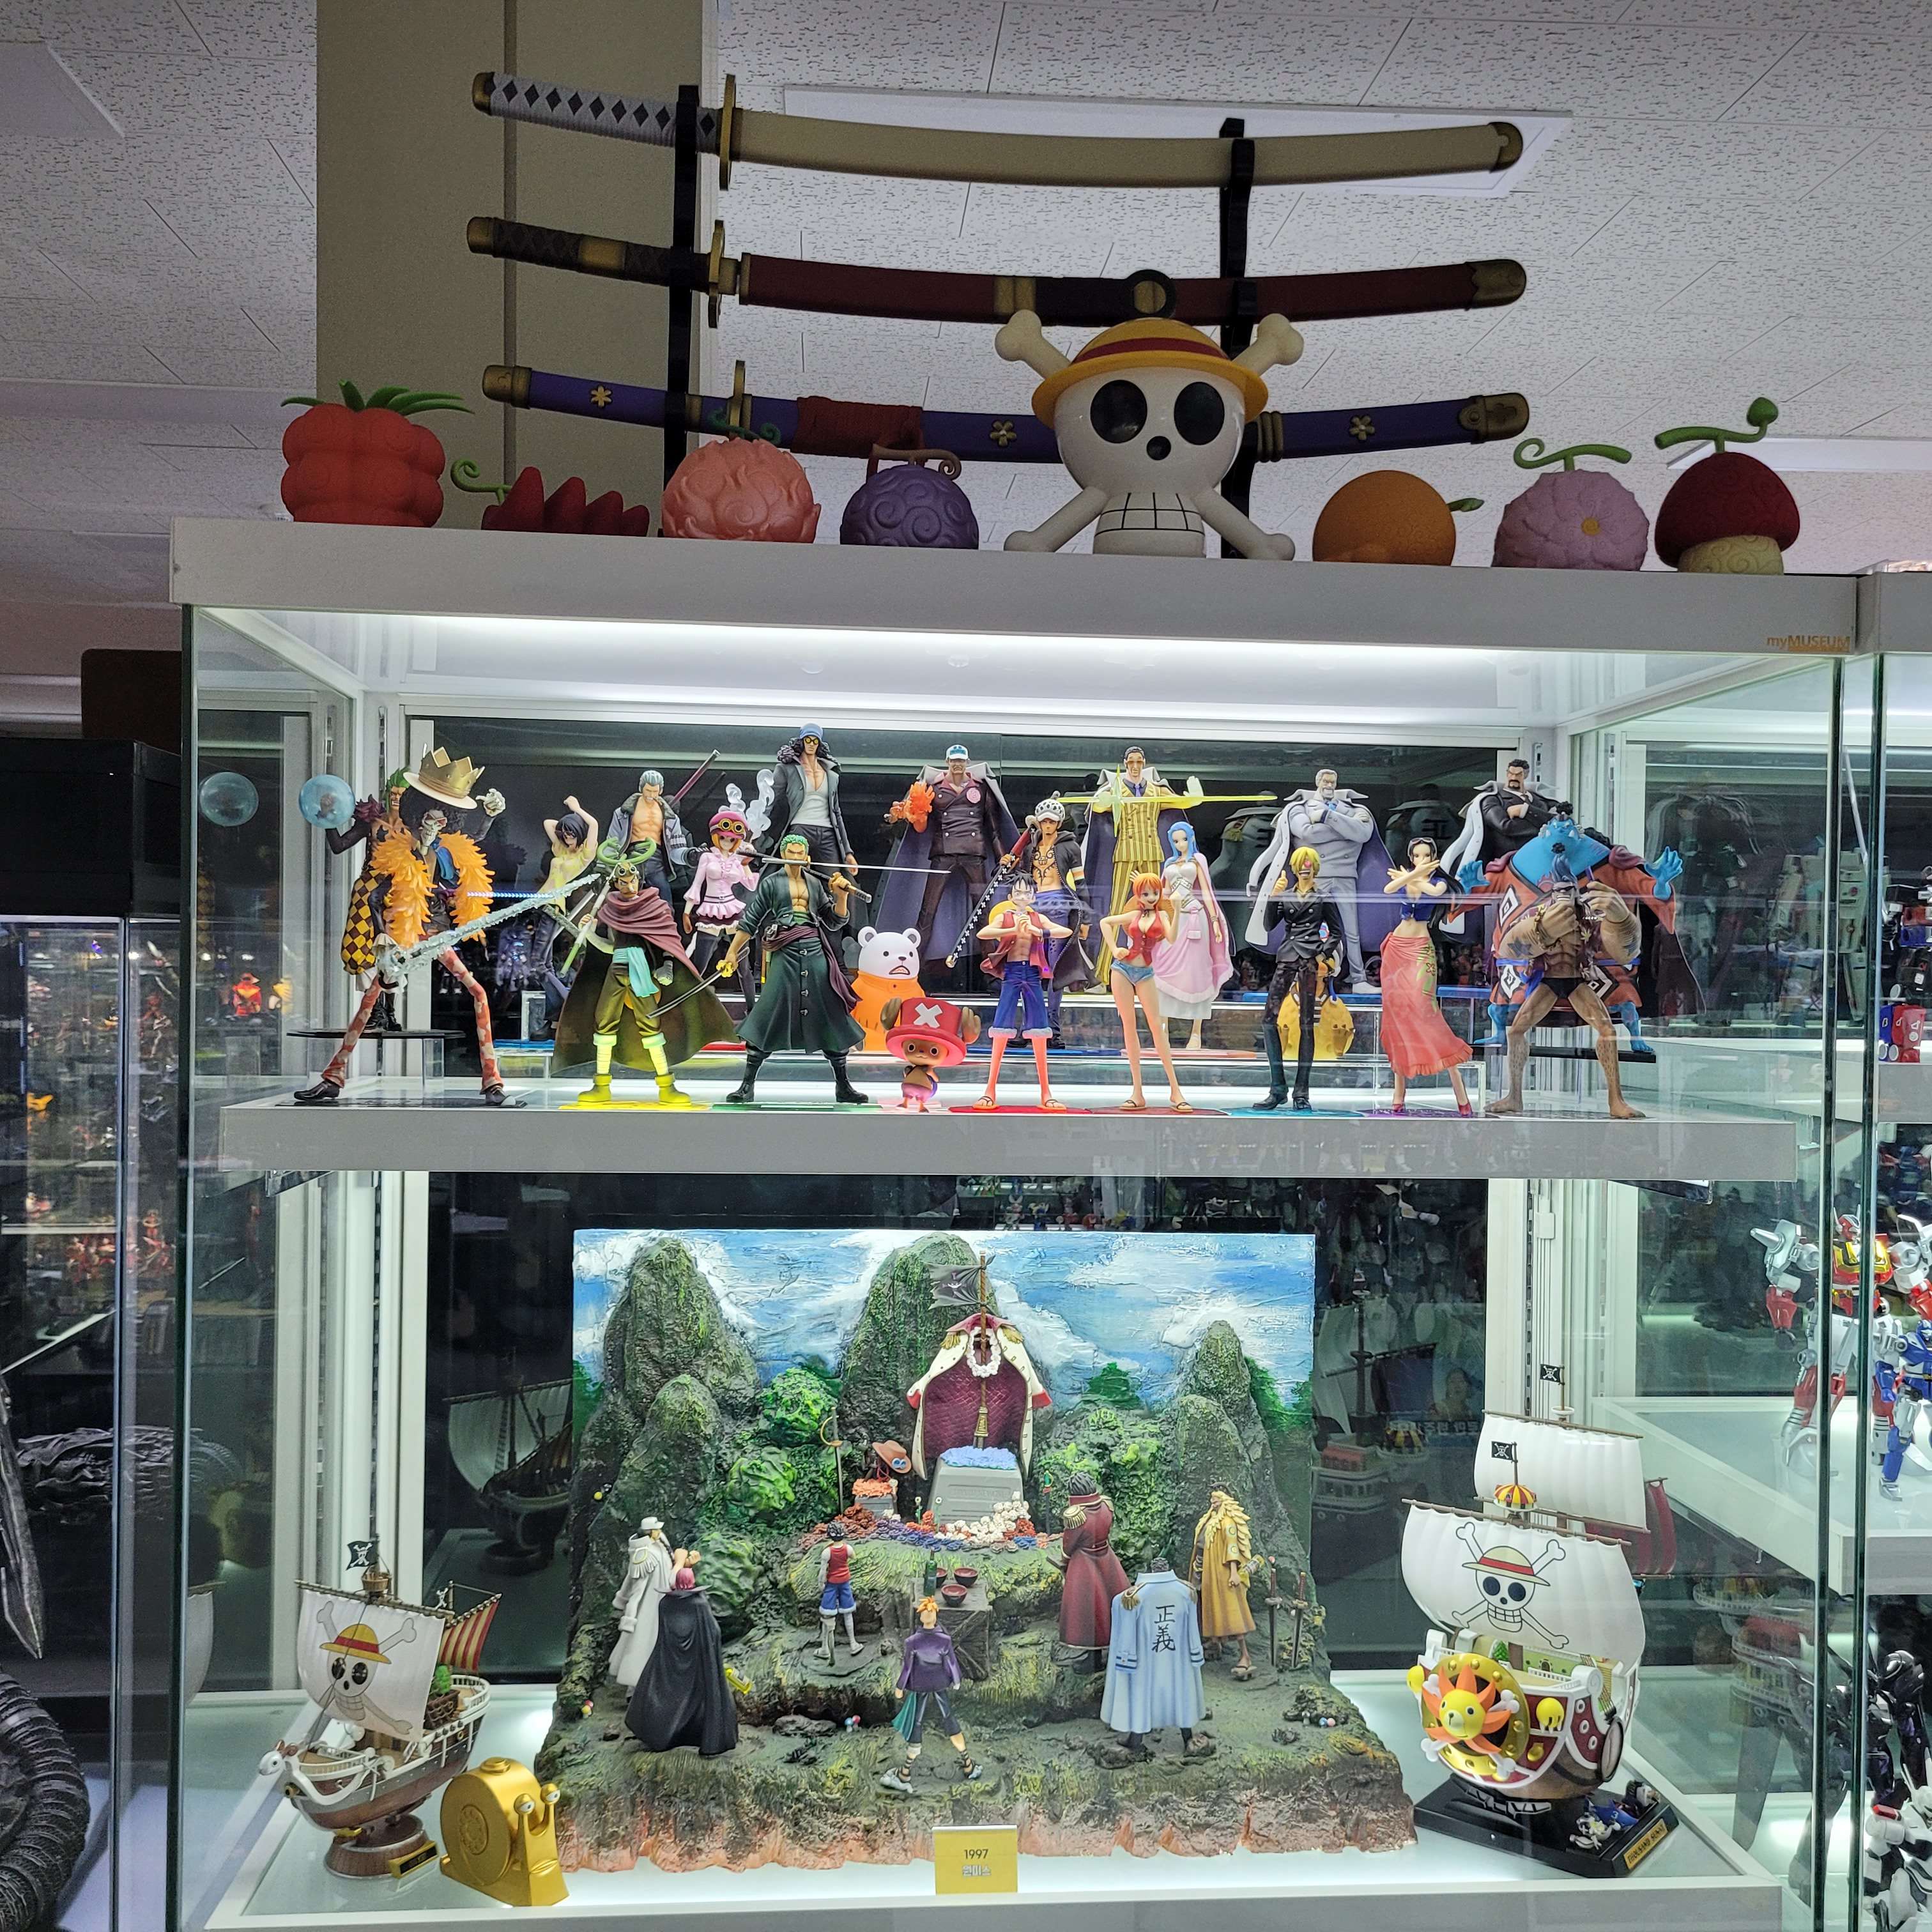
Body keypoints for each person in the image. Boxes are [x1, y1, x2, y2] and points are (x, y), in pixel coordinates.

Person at [296, 749, 512, 1106]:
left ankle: (493, 1081)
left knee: (478, 993)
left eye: (440, 821)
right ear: (417, 816)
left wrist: (489, 815)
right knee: (371, 999)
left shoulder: (446, 851)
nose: (432, 826)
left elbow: (472, 840)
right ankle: (333, 1078)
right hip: (403, 935)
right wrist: (382, 933)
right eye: (428, 819)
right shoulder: (398, 849)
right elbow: (375, 896)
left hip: (436, 934)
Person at [553, 855, 733, 1107]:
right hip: (616, 970)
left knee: (650, 1025)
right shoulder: (610, 910)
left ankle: (667, 1086)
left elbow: (667, 940)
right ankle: (601, 1085)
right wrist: (590, 933)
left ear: (639, 879)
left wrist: (667, 965)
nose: (629, 886)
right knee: (603, 1023)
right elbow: (609, 947)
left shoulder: (653, 907)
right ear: (616, 884)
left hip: (641, 971)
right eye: (623, 882)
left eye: (633, 880)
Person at [718, 832, 868, 1105]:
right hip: (784, 951)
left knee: (831, 1014)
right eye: (792, 852)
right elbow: (751, 920)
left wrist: (841, 897)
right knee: (768, 1011)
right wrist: (732, 952)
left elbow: (834, 922)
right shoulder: (772, 883)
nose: (796, 857)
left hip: (814, 950)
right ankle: (747, 1085)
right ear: (783, 855)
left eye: (801, 853)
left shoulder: (815, 883)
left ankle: (843, 1085)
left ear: (807, 856)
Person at [1379, 838, 1474, 1115]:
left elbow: (1432, 892)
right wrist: (1412, 875)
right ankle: (1399, 1091)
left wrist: (1411, 876)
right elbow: (1388, 888)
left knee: (1425, 1010)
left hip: (1420, 950)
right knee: (1396, 1014)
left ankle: (1460, 1090)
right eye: (1417, 856)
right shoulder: (1412, 876)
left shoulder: (1438, 883)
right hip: (1396, 949)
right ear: (1412, 857)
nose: (1421, 860)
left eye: (1426, 856)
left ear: (1434, 857)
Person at [1251, 846, 1343, 1113]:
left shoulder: (1323, 897)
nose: (1305, 868)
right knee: (1269, 1019)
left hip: (1309, 959)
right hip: (1288, 955)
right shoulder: (1288, 895)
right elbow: (1269, 924)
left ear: (1315, 868)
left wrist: (1322, 955)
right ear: (1294, 867)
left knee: (1306, 1024)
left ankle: (1301, 1092)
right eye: (1301, 864)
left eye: (1309, 864)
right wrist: (1273, 896)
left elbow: (1337, 932)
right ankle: (1277, 1088)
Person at [973, 875, 1071, 1110]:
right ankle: (990, 1090)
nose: (1023, 897)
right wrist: (1012, 929)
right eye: (1018, 893)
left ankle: (1046, 1092)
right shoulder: (1005, 917)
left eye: (1027, 893)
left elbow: (1065, 931)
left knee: (1039, 1031)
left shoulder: (1038, 918)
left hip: (1033, 974)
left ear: (1033, 897)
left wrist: (1040, 931)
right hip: (1012, 973)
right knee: (1001, 1029)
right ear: (1011, 896)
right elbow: (983, 933)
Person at [1099, 870, 1192, 1112]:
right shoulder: (1134, 914)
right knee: (1129, 1027)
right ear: (1138, 895)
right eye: (1145, 894)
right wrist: (1114, 949)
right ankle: (1137, 1092)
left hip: (1145, 973)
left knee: (1157, 1028)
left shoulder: (1163, 915)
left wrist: (1178, 909)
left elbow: (1172, 938)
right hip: (1122, 970)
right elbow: (1105, 923)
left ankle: (1176, 1090)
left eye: (1154, 893)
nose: (1151, 898)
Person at [1004, 795, 1094, 1040]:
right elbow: (1020, 879)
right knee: (1028, 966)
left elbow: (1081, 883)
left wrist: (1085, 918)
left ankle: (1052, 1026)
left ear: (1059, 823)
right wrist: (1008, 864)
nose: (1047, 825)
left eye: (1052, 821)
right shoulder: (1030, 848)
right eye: (1044, 821)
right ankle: (1030, 1025)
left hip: (1058, 907)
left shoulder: (1070, 847)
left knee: (1055, 968)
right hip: (1032, 908)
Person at [879, 1597, 981, 1793]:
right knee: (947, 1719)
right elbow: (950, 1663)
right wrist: (956, 1680)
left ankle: (905, 1773)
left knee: (917, 1724)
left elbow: (909, 1668)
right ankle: (968, 1764)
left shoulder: (914, 1642)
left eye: (930, 1611)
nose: (928, 1614)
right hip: (937, 1684)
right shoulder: (938, 1640)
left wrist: (901, 1687)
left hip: (921, 1686)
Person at [1152, 821, 1232, 1053]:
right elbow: (1163, 893)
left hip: (1196, 919)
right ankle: (1163, 1030)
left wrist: (1215, 920)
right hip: (1174, 919)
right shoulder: (1169, 864)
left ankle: (1196, 1032)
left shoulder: (1198, 861)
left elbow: (1206, 892)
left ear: (1191, 838)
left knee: (1198, 972)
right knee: (1164, 971)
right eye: (1176, 841)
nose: (1180, 844)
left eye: (1184, 839)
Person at [682, 804, 760, 1004]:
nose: (727, 842)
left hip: (732, 910)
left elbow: (751, 885)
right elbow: (697, 884)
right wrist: (687, 913)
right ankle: (688, 1007)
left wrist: (746, 864)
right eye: (724, 837)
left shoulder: (736, 860)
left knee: (743, 966)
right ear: (716, 836)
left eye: (732, 839)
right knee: (700, 965)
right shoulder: (708, 857)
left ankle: (752, 1010)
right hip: (710, 910)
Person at [760, 725, 856, 879]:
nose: (811, 744)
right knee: (793, 877)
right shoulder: (788, 769)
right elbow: (771, 800)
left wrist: (847, 852)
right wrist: (755, 834)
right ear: (802, 741)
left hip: (827, 833)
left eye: (815, 741)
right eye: (808, 740)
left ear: (819, 744)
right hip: (800, 829)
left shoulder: (831, 774)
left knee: (833, 881)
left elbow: (836, 812)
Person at [1055, 1487, 1130, 1664]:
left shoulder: (1077, 1515)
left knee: (1089, 1609)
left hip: (1085, 1564)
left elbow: (1069, 1544)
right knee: (1108, 1602)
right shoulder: (1106, 1505)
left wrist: (1065, 1560)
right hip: (1107, 1558)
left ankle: (1093, 1657)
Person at [1190, 1491, 1257, 1679]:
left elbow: (1232, 1548)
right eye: (1212, 1499)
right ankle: (1214, 1642)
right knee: (1208, 1605)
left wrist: (1234, 1572)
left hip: (1221, 1572)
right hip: (1204, 1569)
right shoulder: (1209, 1519)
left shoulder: (1227, 1523)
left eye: (1217, 1499)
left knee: (1232, 1612)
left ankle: (1245, 1656)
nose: (1213, 1502)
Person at [608, 1516, 675, 1691]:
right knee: (642, 1644)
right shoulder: (645, 1555)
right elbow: (636, 1587)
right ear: (650, 1532)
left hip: (662, 1602)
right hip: (649, 1607)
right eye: (656, 1529)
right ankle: (636, 1687)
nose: (659, 1531)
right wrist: (630, 1616)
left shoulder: (660, 1544)